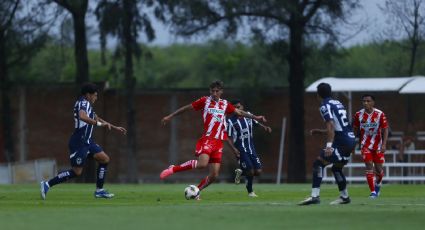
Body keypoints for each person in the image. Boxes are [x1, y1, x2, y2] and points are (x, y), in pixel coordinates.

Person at [159, 80, 267, 200]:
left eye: (217, 91)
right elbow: (187, 108)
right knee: (202, 164)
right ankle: (173, 168)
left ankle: (197, 191)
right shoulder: (205, 101)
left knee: (214, 175)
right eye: (212, 91)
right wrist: (171, 116)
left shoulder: (225, 104)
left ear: (221, 92)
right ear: (210, 91)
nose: (214, 93)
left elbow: (239, 111)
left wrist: (255, 117)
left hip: (218, 143)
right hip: (208, 139)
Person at [40, 83, 127, 200]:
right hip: (79, 141)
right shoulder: (83, 103)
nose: (96, 98)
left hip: (87, 141)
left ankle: (99, 191)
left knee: (104, 159)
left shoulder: (87, 104)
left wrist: (114, 126)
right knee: (77, 172)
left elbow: (96, 118)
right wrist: (99, 124)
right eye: (95, 95)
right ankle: (47, 184)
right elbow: (82, 116)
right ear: (88, 95)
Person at [299, 82, 356, 205]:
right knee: (336, 168)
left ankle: (315, 196)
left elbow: (330, 124)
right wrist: (321, 132)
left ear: (318, 95)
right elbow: (340, 126)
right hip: (349, 139)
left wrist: (329, 146)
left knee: (318, 163)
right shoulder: (338, 103)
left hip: (341, 141)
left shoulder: (324, 105)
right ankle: (344, 197)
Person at [225, 100, 272, 197]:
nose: (237, 109)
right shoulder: (231, 121)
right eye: (235, 108)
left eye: (239, 106)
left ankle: (241, 173)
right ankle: (250, 191)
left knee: (258, 171)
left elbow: (256, 123)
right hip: (240, 149)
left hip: (251, 147)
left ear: (242, 106)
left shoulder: (248, 115)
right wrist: (234, 149)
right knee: (250, 171)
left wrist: (264, 127)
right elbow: (226, 137)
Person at [353, 94, 389, 198]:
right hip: (365, 145)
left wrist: (384, 144)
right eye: (364, 101)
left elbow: (385, 129)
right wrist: (353, 143)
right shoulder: (358, 114)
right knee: (369, 165)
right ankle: (373, 192)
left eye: (368, 101)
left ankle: (378, 185)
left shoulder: (379, 114)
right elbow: (355, 130)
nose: (365, 103)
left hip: (377, 146)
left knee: (379, 170)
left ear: (373, 102)